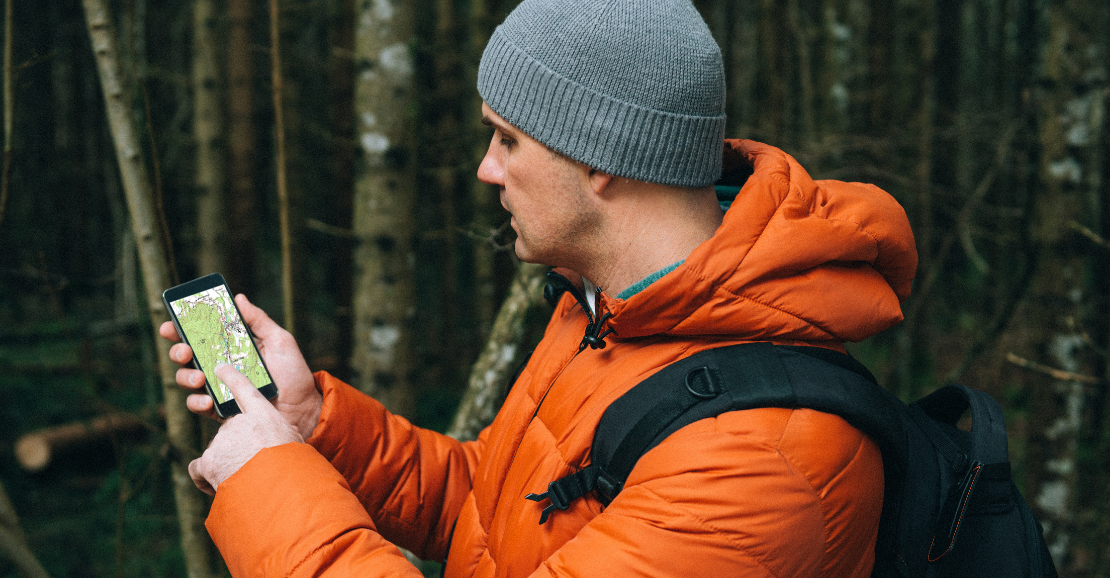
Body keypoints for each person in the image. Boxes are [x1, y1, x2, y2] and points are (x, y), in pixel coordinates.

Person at [160, 0, 918, 575]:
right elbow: (495, 516)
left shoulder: (765, 460)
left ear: (600, 158)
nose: (488, 168)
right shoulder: (611, 312)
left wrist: (267, 483)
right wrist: (316, 422)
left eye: (508, 139)